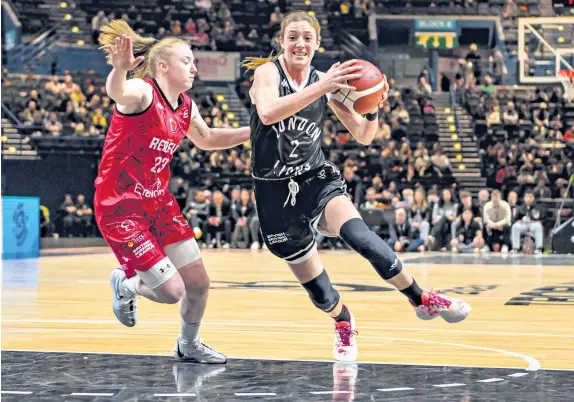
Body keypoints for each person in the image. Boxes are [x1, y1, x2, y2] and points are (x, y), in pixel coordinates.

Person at [243, 11, 471, 362]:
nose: (300, 43)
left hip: (314, 180)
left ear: (317, 43)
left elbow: (364, 136)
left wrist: (375, 105)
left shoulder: (325, 81)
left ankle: (421, 299)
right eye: (293, 37)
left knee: (361, 237)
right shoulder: (268, 73)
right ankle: (343, 321)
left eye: (307, 37)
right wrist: (324, 86)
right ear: (282, 42)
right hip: (274, 194)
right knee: (320, 294)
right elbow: (269, 113)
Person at [94, 20, 250, 363]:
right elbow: (117, 92)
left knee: (199, 284)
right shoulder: (143, 92)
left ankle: (188, 345)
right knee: (171, 291)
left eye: (194, 62)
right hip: (121, 207)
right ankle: (125, 284)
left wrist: (253, 130)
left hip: (159, 204)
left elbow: (207, 140)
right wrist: (120, 70)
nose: (194, 67)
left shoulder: (186, 106)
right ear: (162, 65)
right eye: (186, 61)